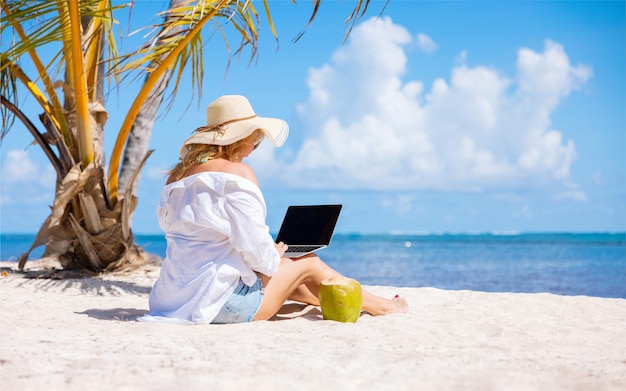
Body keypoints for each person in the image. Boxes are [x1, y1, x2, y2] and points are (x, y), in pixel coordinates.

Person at [147, 95, 408, 324]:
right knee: (308, 262)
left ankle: (325, 301)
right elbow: (262, 259)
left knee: (291, 276)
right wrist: (275, 253)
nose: (252, 151)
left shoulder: (176, 180)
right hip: (219, 306)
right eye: (255, 142)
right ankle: (384, 306)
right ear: (240, 139)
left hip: (171, 302)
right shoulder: (237, 175)